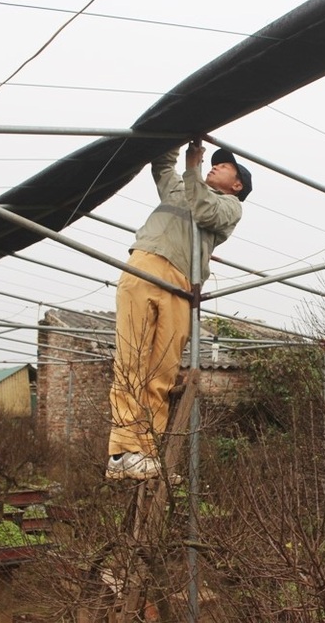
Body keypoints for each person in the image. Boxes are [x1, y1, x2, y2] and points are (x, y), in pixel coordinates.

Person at [105, 141, 253, 480]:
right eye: (213, 163)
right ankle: (123, 452)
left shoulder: (231, 207)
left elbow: (205, 211)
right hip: (148, 262)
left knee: (162, 371)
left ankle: (146, 451)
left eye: (224, 166)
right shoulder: (181, 188)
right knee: (132, 359)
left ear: (237, 184)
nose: (215, 166)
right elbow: (161, 165)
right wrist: (176, 141)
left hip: (183, 281)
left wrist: (193, 167)